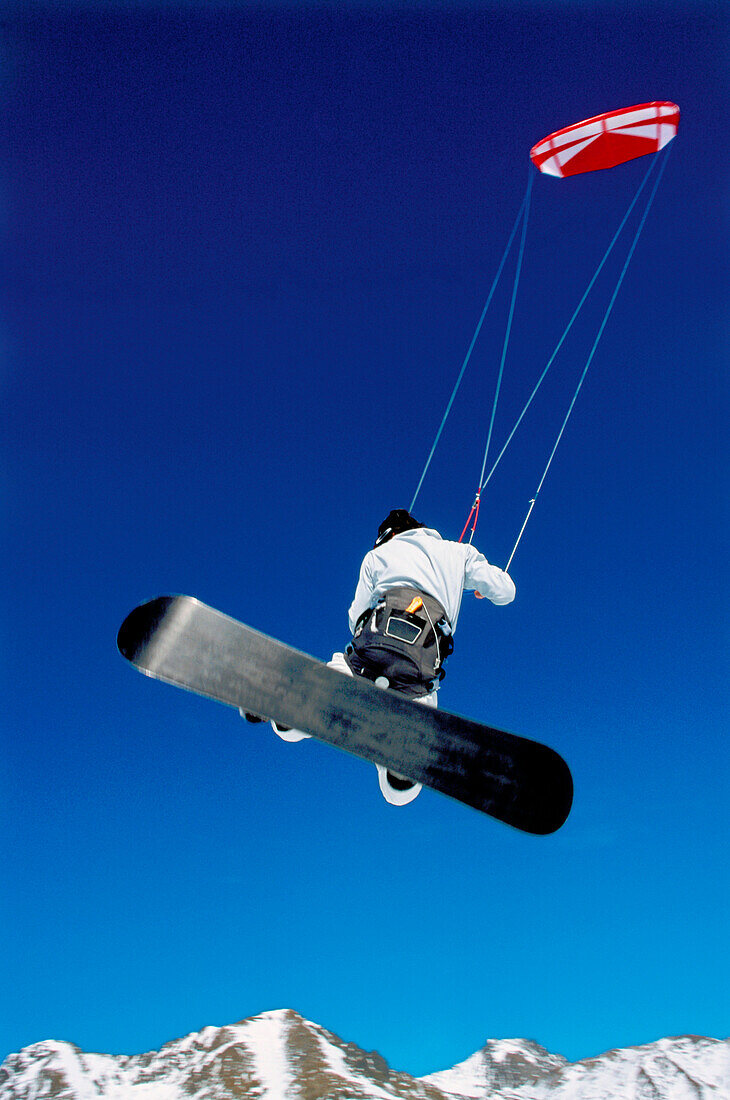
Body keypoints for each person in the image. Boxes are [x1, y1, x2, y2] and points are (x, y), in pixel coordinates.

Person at [259, 509, 516, 806]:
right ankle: (403, 762)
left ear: (388, 535)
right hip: (420, 663)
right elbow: (506, 591)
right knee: (398, 793)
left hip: (373, 645)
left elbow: (356, 616)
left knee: (341, 675)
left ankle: (303, 704)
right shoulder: (459, 553)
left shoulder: (377, 555)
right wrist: (482, 587)